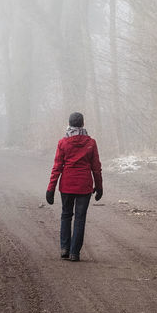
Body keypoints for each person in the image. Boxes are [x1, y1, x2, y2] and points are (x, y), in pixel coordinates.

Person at [45, 111, 103, 261]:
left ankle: (64, 248)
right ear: (83, 124)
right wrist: (99, 186)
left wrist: (50, 188)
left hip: (67, 185)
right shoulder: (91, 143)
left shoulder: (63, 143)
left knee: (66, 215)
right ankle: (74, 253)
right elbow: (96, 167)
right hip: (84, 186)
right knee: (80, 218)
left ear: (69, 124)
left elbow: (57, 167)